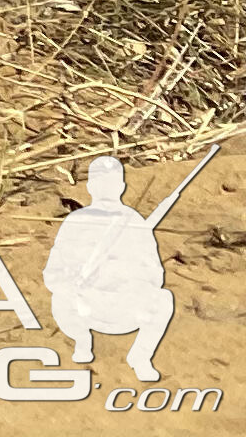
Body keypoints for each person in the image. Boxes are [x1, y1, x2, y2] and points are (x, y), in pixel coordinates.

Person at [44, 156, 177, 383]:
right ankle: (82, 341)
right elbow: (52, 274)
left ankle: (141, 356)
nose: (106, 190)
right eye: (101, 184)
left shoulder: (134, 221)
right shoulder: (77, 221)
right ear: (90, 187)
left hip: (126, 305)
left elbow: (156, 274)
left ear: (122, 187)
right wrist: (74, 280)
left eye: (112, 184)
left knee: (163, 299)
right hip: (87, 307)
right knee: (60, 298)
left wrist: (127, 277)